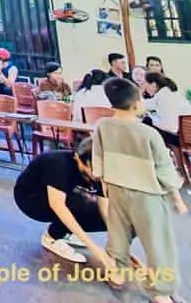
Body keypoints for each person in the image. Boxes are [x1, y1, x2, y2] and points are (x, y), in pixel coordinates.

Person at [93, 78, 186, 301]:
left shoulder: (103, 126)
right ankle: (161, 293)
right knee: (157, 243)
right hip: (147, 196)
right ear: (136, 103)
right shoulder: (148, 134)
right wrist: (176, 197)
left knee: (118, 236)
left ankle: (117, 274)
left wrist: (106, 186)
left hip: (116, 190)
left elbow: (99, 161)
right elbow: (164, 170)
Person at [13, 138, 110, 264]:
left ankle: (66, 232)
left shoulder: (97, 174)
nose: (98, 174)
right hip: (29, 198)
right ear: (78, 158)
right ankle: (52, 237)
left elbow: (105, 207)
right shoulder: (58, 163)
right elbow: (58, 206)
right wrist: (96, 250)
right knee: (79, 201)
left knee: (117, 219)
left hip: (67, 197)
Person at [143, 72, 191, 148]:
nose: (145, 88)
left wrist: (153, 119)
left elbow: (171, 128)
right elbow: (148, 104)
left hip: (182, 138)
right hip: (186, 137)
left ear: (153, 85)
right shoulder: (170, 93)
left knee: (147, 123)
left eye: (145, 84)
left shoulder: (164, 97)